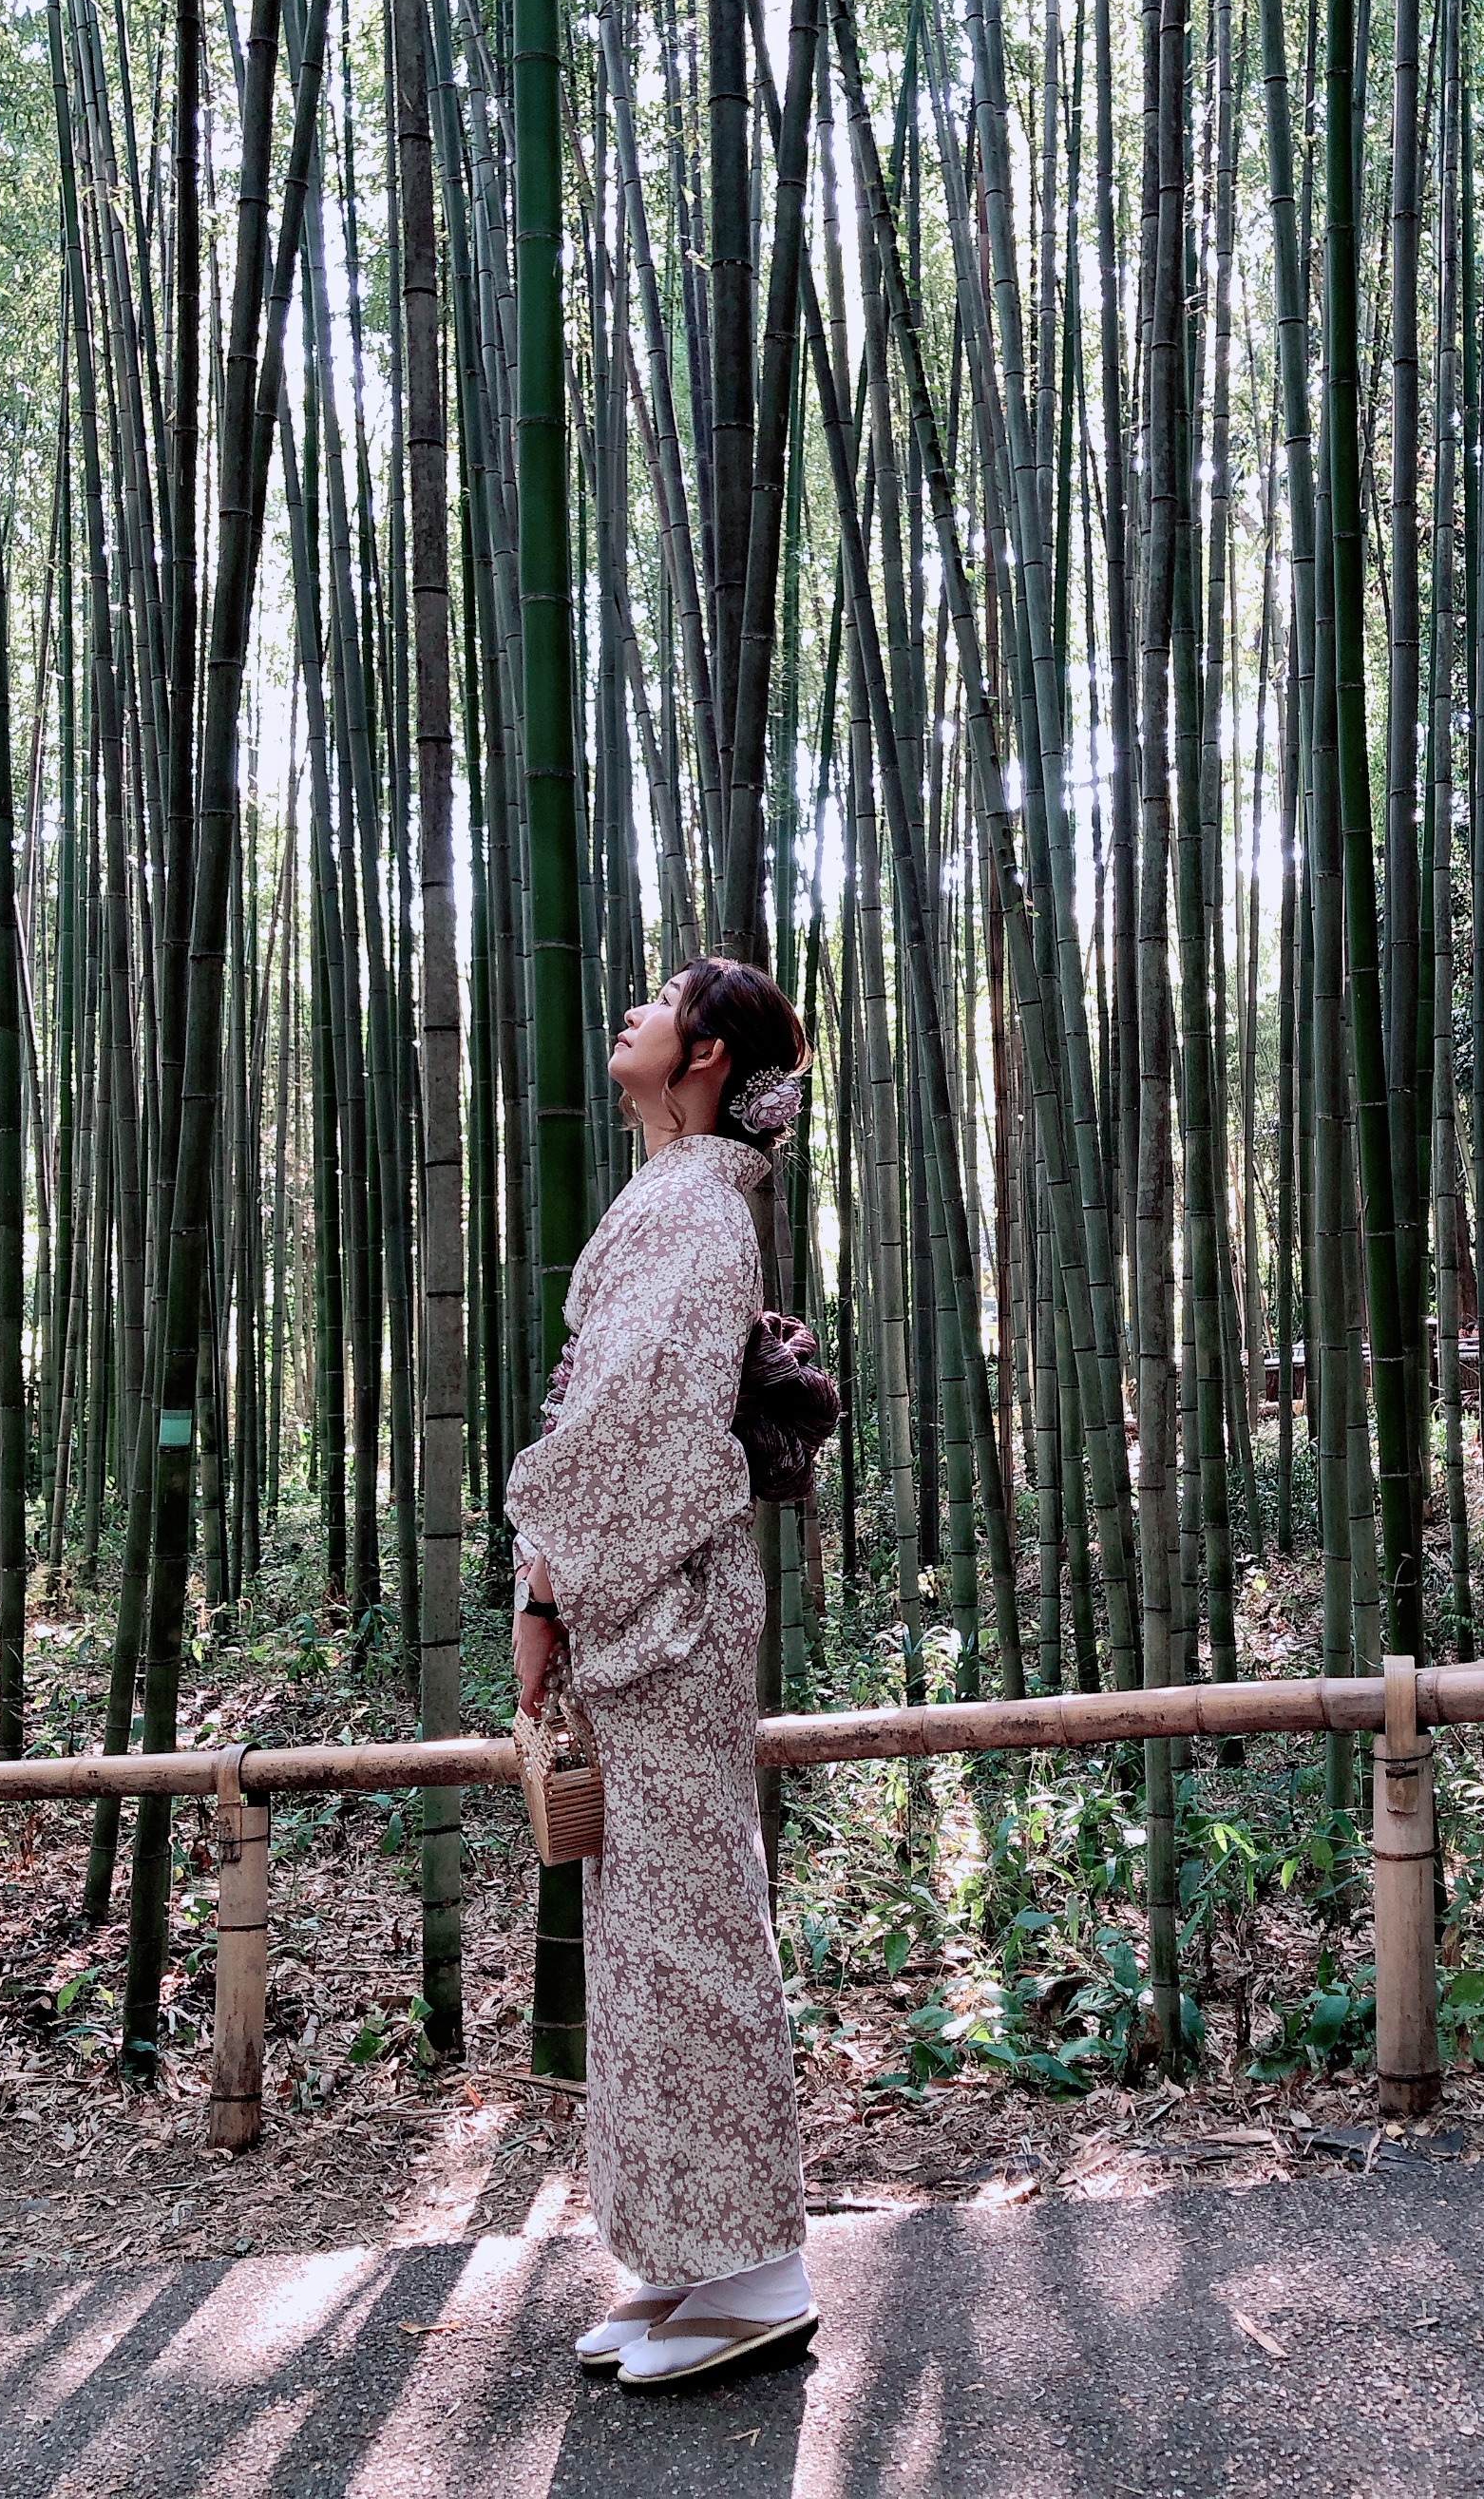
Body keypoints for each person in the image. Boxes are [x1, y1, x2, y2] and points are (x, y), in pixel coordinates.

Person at [504, 957, 836, 2394]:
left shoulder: (701, 1209)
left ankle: (759, 2268)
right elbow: (617, 1412)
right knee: (644, 1937)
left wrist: (547, 1585)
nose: (632, 1011)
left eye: (659, 999)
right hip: (646, 1606)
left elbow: (647, 1426)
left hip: (666, 1610)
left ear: (703, 1054)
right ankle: (683, 2255)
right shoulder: (679, 1196)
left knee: (692, 1927)